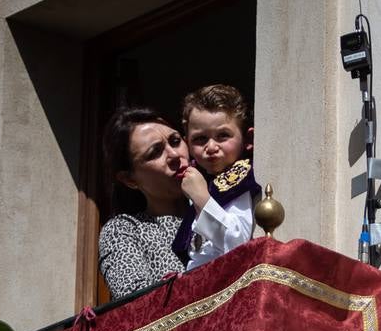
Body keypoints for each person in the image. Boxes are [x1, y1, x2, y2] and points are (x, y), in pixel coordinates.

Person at [98, 107, 192, 300]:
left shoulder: (223, 202)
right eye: (155, 152)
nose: (174, 155)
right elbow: (138, 308)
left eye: (175, 141)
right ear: (129, 179)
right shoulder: (124, 230)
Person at [176, 84, 261, 271]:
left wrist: (202, 199)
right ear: (187, 143)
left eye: (223, 136)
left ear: (248, 140)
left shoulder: (241, 178)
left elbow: (237, 242)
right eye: (200, 139)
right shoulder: (205, 181)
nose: (211, 146)